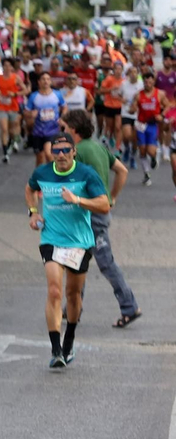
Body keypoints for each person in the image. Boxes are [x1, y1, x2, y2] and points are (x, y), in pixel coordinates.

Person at [27, 133, 110, 369]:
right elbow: (29, 189)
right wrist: (33, 212)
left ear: (74, 152)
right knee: (54, 290)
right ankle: (55, 349)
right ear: (51, 153)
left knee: (73, 294)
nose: (61, 155)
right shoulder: (42, 173)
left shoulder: (86, 174)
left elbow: (104, 204)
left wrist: (78, 200)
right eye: (56, 151)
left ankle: (69, 339)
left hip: (79, 242)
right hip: (51, 238)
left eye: (65, 150)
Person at [62, 110, 141, 328]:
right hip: (98, 213)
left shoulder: (78, 152)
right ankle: (72, 308)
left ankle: (129, 306)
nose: (63, 132)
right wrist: (112, 197)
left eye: (65, 128)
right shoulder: (98, 146)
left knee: (104, 262)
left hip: (90, 215)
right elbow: (122, 171)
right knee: (78, 260)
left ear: (74, 129)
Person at [24, 72, 67, 166]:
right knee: (40, 157)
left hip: (53, 130)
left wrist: (62, 118)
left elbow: (64, 107)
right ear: (39, 82)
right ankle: (39, 178)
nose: (45, 81)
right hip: (38, 131)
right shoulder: (34, 96)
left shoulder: (57, 94)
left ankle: (52, 176)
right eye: (43, 79)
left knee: (49, 154)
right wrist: (31, 114)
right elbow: (26, 112)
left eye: (48, 79)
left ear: (50, 81)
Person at [133, 72, 164, 185]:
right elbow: (133, 108)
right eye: (146, 82)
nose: (148, 84)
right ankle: (147, 174)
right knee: (142, 150)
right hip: (141, 125)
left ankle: (156, 154)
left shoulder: (159, 94)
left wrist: (162, 115)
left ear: (153, 82)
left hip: (152, 125)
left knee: (150, 151)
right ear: (143, 82)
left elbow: (168, 105)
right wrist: (131, 108)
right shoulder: (138, 95)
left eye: (150, 82)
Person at [0, 59, 26, 162]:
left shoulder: (16, 78)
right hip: (1, 107)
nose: (7, 68)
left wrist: (15, 94)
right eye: (5, 65)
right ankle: (5, 154)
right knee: (4, 129)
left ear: (12, 68)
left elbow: (25, 90)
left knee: (12, 130)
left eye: (9, 66)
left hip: (13, 107)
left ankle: (13, 141)